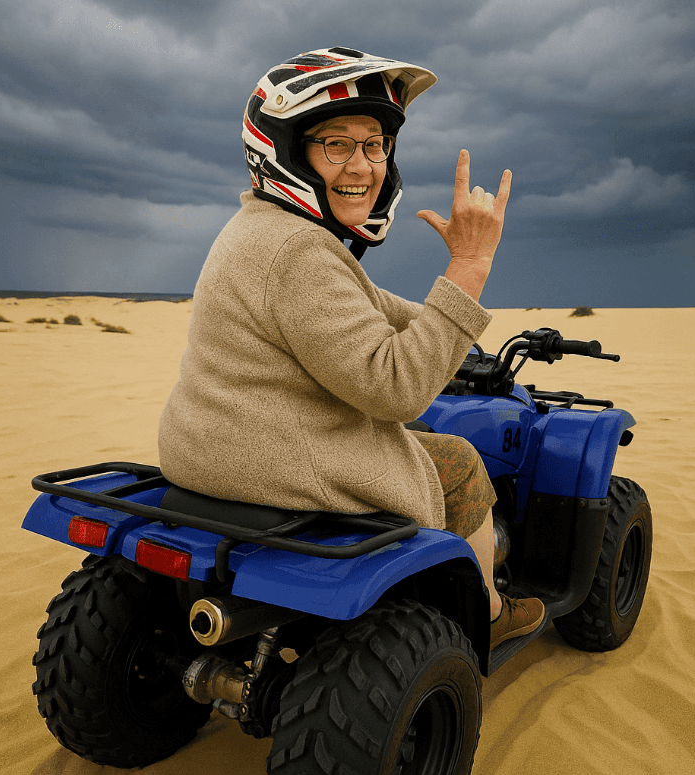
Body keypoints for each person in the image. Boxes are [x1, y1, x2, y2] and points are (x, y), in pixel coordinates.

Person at [158, 47, 544, 648]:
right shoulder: (299, 253)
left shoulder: (269, 231)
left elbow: (370, 306)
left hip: (216, 451)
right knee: (461, 461)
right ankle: (487, 613)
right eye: (336, 145)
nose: (363, 166)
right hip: (277, 465)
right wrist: (468, 268)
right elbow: (398, 392)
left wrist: (450, 324)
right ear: (287, 152)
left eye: (375, 145)